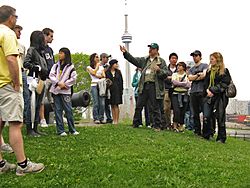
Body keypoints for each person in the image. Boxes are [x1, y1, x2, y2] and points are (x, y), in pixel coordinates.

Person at [0, 5, 44, 175]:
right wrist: (16, 83)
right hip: (7, 85)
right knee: (16, 124)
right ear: (11, 18)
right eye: (16, 17)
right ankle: (23, 165)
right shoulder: (8, 34)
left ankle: (1, 164)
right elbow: (11, 59)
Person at [120, 43, 169, 131]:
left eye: (152, 48)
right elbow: (134, 60)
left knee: (155, 106)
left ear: (157, 50)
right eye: (149, 48)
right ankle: (136, 123)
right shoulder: (144, 60)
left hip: (154, 86)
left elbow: (166, 73)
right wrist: (125, 53)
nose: (150, 50)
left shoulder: (161, 61)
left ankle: (157, 125)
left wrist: (159, 70)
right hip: (144, 85)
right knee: (139, 104)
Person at [24, 30, 48, 137]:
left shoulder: (41, 52)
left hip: (41, 80)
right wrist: (36, 67)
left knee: (38, 104)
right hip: (33, 80)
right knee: (31, 105)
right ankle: (30, 129)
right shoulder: (32, 50)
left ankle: (35, 128)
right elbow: (26, 63)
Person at [49, 47, 79, 136]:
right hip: (56, 91)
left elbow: (74, 78)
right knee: (58, 110)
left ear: (66, 55)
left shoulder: (71, 67)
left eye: (61, 53)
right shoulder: (56, 65)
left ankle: (72, 129)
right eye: (59, 53)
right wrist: (58, 83)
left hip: (66, 91)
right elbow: (51, 75)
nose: (59, 55)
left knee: (68, 110)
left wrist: (65, 84)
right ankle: (60, 130)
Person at [202, 52, 231, 143]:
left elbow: (224, 84)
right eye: (210, 59)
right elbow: (205, 84)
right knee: (206, 115)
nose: (210, 61)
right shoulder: (209, 71)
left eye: (212, 59)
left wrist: (212, 90)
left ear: (218, 60)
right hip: (209, 96)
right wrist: (207, 90)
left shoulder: (225, 71)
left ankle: (221, 138)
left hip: (220, 97)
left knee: (220, 116)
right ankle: (207, 134)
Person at [188, 50, 208, 136]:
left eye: (196, 55)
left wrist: (195, 77)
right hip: (193, 92)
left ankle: (206, 132)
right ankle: (197, 131)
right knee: (194, 113)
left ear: (200, 56)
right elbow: (190, 78)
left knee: (205, 112)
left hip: (202, 91)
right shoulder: (191, 69)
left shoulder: (205, 65)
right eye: (193, 56)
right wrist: (197, 76)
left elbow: (204, 75)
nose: (194, 57)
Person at [39, 28, 55, 127]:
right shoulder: (39, 49)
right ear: (45, 36)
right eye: (51, 36)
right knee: (41, 99)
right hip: (43, 77)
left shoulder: (50, 50)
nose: (52, 38)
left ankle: (57, 117)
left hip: (51, 77)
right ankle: (42, 119)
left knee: (53, 99)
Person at [171, 62, 191, 132]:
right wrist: (183, 84)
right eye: (178, 66)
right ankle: (175, 125)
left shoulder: (187, 75)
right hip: (175, 94)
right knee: (176, 110)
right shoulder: (174, 74)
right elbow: (174, 82)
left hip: (184, 95)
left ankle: (181, 125)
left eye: (180, 66)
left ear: (183, 67)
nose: (178, 67)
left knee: (183, 111)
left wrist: (180, 83)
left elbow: (188, 85)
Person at [86, 53, 106, 124]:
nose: (98, 59)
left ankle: (101, 118)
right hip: (94, 85)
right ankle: (96, 118)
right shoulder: (89, 67)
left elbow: (104, 75)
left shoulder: (102, 67)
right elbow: (93, 73)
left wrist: (97, 75)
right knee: (96, 102)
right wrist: (97, 67)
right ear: (93, 58)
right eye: (96, 57)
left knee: (102, 103)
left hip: (101, 85)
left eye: (98, 57)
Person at [106, 59, 123, 125]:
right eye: (115, 64)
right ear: (112, 65)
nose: (117, 65)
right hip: (110, 90)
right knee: (112, 105)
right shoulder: (107, 72)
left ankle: (117, 120)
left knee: (116, 105)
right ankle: (114, 119)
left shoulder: (118, 72)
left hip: (117, 90)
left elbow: (121, 82)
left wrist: (121, 90)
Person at [164, 53, 178, 129]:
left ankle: (175, 124)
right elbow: (163, 77)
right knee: (166, 108)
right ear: (169, 59)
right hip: (167, 89)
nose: (174, 60)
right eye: (172, 58)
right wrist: (173, 78)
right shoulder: (165, 68)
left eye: (175, 58)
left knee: (176, 108)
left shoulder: (179, 69)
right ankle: (167, 124)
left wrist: (171, 78)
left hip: (176, 90)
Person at [100, 53, 113, 123]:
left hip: (107, 86)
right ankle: (100, 117)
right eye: (106, 57)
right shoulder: (98, 66)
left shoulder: (108, 66)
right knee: (100, 103)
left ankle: (109, 117)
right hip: (100, 85)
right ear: (102, 58)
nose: (107, 59)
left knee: (107, 103)